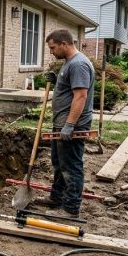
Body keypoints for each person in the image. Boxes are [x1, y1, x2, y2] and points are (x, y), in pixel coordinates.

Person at [37, 29, 94, 218]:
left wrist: (70, 124)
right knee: (59, 162)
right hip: (62, 123)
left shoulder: (78, 64)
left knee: (71, 166)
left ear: (64, 44)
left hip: (72, 125)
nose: (51, 52)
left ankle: (70, 208)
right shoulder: (70, 63)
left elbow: (80, 96)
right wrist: (56, 83)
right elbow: (70, 91)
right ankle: (57, 197)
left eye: (53, 48)